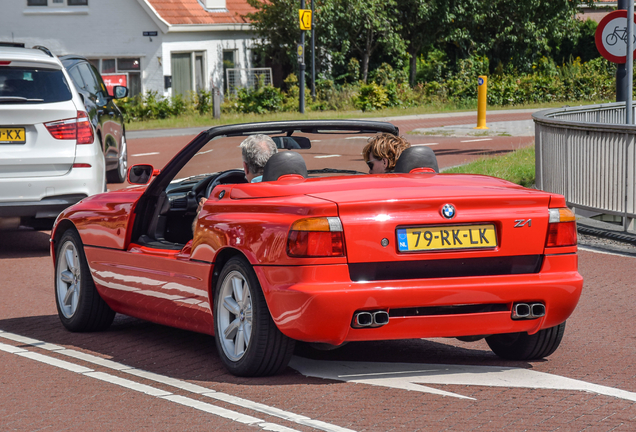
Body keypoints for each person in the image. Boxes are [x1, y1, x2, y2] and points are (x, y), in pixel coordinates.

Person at [195, 134, 277, 230]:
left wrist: (203, 214)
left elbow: (206, 238)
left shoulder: (242, 202)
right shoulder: (294, 190)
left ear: (245, 167)